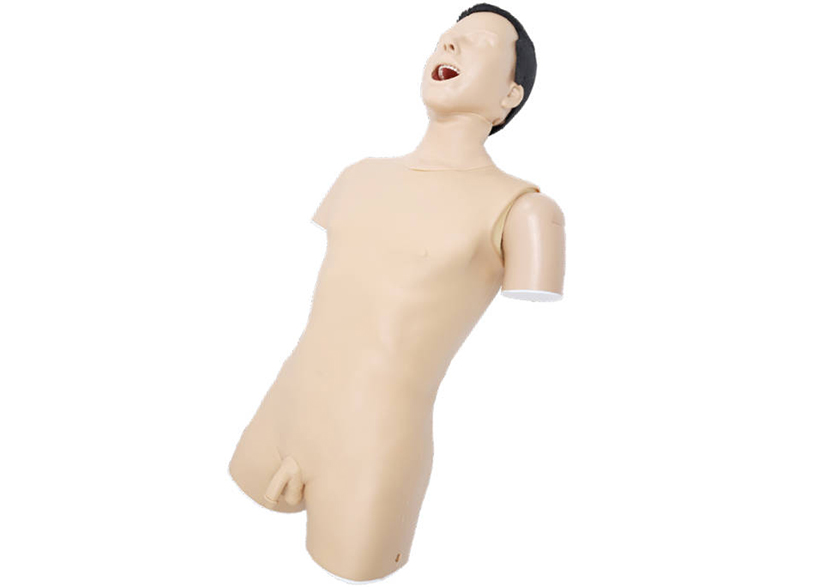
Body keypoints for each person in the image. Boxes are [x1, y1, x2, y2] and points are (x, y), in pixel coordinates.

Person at [229, 4, 565, 582]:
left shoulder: (525, 211)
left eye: (478, 42)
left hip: (372, 452)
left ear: (510, 96)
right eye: (446, 38)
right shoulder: (359, 175)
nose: (449, 47)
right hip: (280, 414)